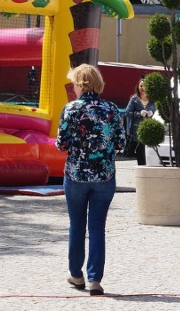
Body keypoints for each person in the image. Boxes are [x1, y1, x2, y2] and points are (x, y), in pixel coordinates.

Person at [55, 64, 125, 296]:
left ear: (81, 84)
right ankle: (95, 279)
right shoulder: (112, 109)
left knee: (77, 225)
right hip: (104, 175)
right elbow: (121, 144)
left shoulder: (71, 109)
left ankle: (76, 274)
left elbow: (61, 144)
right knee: (97, 227)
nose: (73, 87)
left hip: (76, 174)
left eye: (74, 83)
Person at [124, 77, 155, 165]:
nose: (141, 87)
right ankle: (142, 165)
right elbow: (127, 113)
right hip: (136, 128)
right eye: (140, 86)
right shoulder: (134, 99)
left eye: (144, 86)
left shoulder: (152, 100)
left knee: (144, 148)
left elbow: (157, 112)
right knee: (140, 147)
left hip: (148, 128)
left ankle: (143, 164)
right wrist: (138, 114)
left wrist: (152, 113)